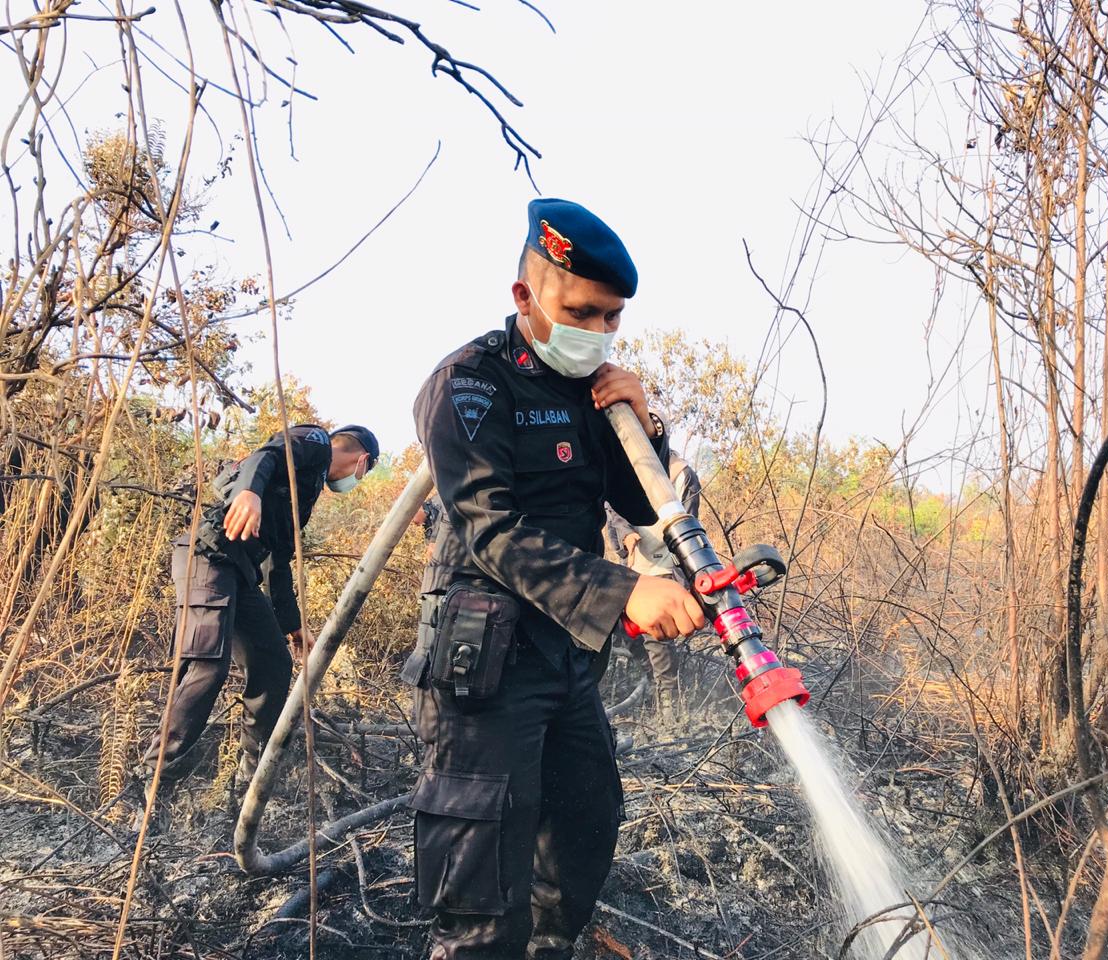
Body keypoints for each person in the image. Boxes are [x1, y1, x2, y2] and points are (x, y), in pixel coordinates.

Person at [406, 198, 706, 959]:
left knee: (584, 823)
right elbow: (489, 528)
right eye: (582, 312)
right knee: (482, 896)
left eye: (611, 318)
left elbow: (639, 503)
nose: (599, 332)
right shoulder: (470, 385)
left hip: (567, 660)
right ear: (525, 298)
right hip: (487, 660)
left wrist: (648, 422)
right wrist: (623, 590)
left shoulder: (591, 392)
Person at [140, 424, 379, 785]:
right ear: (362, 461)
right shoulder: (315, 443)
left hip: (240, 572)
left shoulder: (308, 485)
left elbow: (277, 561)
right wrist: (248, 492)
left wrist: (293, 624)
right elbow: (267, 454)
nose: (355, 480)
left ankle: (249, 779)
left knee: (274, 663)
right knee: (208, 667)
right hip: (208, 556)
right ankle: (153, 778)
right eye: (363, 473)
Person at [604, 450, 701, 717]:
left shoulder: (682, 474)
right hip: (636, 568)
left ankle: (669, 708)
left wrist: (683, 581)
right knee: (629, 635)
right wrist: (626, 535)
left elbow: (689, 528)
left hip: (668, 566)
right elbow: (611, 508)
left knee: (658, 641)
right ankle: (650, 683)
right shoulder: (624, 467)